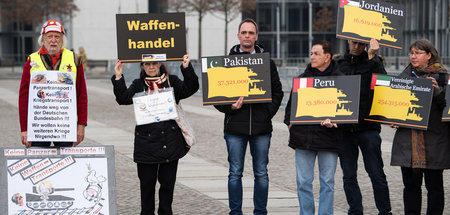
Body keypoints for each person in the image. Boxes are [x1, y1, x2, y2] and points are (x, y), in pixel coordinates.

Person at [111, 53, 198, 215]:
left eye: (154, 63)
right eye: (147, 64)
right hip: (146, 145)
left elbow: (191, 88)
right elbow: (122, 98)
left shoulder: (172, 81)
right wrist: (118, 76)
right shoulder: (138, 84)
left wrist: (186, 67)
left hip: (169, 143)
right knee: (147, 188)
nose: (151, 67)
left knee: (167, 187)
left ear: (160, 64)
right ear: (142, 66)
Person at [214, 18, 283, 215]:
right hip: (235, 128)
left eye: (251, 33)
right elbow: (217, 98)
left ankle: (260, 212)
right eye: (244, 32)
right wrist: (230, 107)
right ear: (238, 35)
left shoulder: (266, 63)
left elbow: (277, 92)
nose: (247, 36)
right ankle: (235, 212)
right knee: (235, 173)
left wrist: (267, 113)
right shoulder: (226, 63)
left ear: (256, 36)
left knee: (261, 173)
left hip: (261, 128)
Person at [390, 39, 450, 215]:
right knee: (410, 187)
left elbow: (447, 108)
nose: (413, 56)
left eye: (418, 53)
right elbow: (394, 105)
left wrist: (438, 92)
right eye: (411, 53)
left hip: (434, 140)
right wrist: (393, 118)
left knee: (435, 187)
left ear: (429, 55)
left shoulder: (443, 77)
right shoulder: (403, 79)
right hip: (407, 141)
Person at [284, 40, 343, 215]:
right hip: (303, 139)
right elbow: (290, 108)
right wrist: (290, 124)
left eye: (316, 53)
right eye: (311, 53)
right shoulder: (303, 79)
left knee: (327, 183)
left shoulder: (341, 80)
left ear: (328, 57)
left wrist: (337, 121)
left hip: (329, 139)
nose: (312, 57)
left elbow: (347, 110)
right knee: (303, 182)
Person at [335, 39, 392, 215]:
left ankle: (385, 211)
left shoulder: (374, 61)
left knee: (376, 174)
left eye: (361, 43)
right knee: (349, 176)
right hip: (345, 130)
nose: (357, 46)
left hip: (368, 128)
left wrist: (372, 57)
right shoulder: (337, 63)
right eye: (354, 43)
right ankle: (355, 211)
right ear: (347, 40)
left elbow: (384, 84)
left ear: (366, 44)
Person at [19, 20, 87, 148]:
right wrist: (24, 129)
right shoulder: (32, 60)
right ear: (43, 39)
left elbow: (81, 95)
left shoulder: (74, 59)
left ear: (62, 39)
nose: (53, 40)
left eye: (57, 36)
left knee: (66, 163)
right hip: (39, 126)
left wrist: (81, 125)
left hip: (65, 125)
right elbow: (24, 97)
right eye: (49, 36)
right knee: (38, 164)